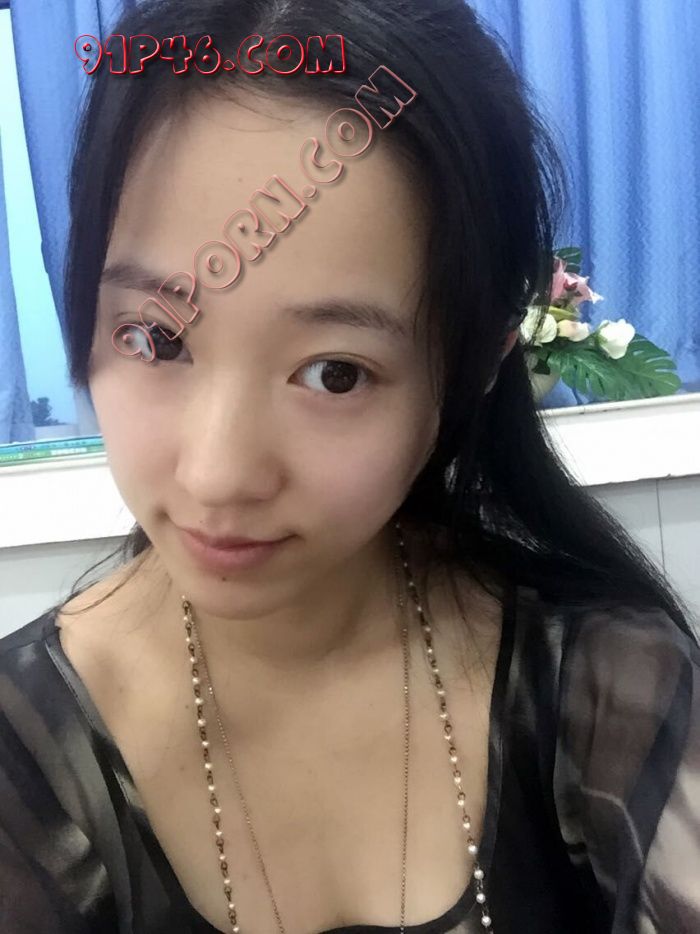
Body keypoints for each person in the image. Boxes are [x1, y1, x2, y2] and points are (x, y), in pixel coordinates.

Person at [1, 1, 698, 932]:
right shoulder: (22, 767)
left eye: (335, 373)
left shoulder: (609, 693)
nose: (217, 475)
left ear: (474, 364)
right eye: (155, 339)